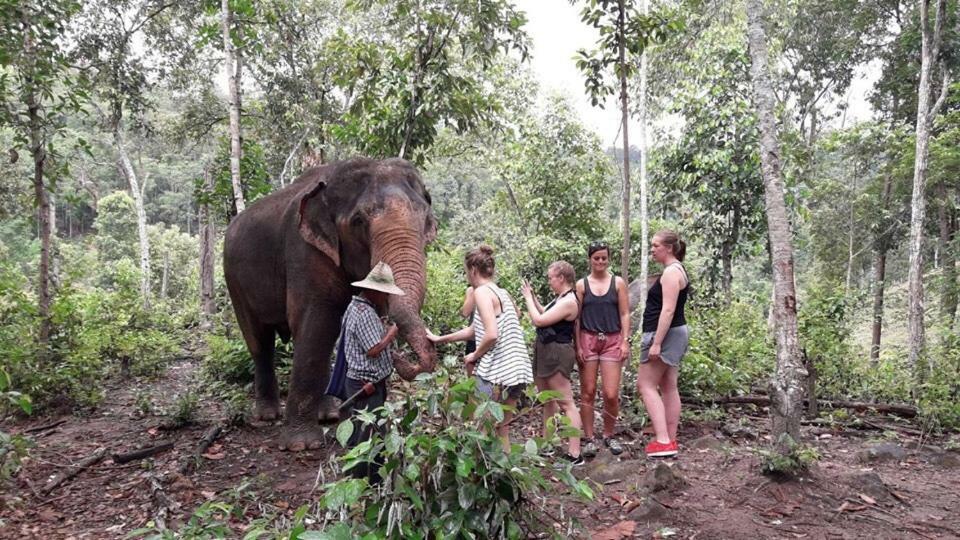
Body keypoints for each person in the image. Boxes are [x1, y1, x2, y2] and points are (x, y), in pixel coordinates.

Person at [427, 245, 533, 449]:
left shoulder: (482, 292)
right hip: (517, 369)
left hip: (499, 371)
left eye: (466, 271)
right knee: (502, 427)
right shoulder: (501, 292)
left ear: (473, 270)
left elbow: (491, 334)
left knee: (482, 427)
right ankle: (506, 475)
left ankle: (480, 474)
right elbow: (475, 330)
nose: (467, 275)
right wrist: (440, 339)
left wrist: (474, 355)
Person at [340, 261, 406, 477]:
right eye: (384, 293)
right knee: (367, 436)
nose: (386, 298)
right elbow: (373, 350)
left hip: (361, 383)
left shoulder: (355, 307)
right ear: (373, 291)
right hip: (366, 386)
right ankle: (363, 481)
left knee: (368, 432)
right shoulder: (365, 313)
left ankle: (370, 479)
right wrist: (391, 334)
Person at [520, 261, 583, 465]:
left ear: (561, 278)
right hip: (545, 350)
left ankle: (575, 453)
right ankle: (547, 443)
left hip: (557, 352)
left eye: (551, 278)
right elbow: (545, 313)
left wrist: (528, 299)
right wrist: (534, 298)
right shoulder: (560, 298)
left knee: (566, 402)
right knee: (548, 400)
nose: (549, 282)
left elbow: (538, 320)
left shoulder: (569, 301)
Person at [637, 230, 690, 458]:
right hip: (676, 333)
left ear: (669, 248)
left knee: (646, 385)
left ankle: (663, 440)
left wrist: (656, 343)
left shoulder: (670, 273)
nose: (652, 249)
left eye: (656, 245)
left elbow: (667, 310)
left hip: (665, 334)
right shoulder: (677, 270)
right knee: (669, 385)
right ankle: (669, 437)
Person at [575, 241, 630, 457]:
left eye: (604, 258)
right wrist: (577, 344)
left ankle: (608, 434)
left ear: (608, 259)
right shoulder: (581, 285)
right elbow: (576, 318)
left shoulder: (618, 283)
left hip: (612, 339)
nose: (600, 261)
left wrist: (626, 341)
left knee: (611, 393)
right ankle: (588, 438)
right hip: (588, 339)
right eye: (596, 258)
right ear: (590, 259)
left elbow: (625, 313)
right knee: (587, 392)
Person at [461, 286, 477, 375]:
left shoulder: (500, 291)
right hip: (473, 338)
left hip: (490, 340)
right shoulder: (471, 290)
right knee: (473, 380)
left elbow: (517, 313)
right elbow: (465, 313)